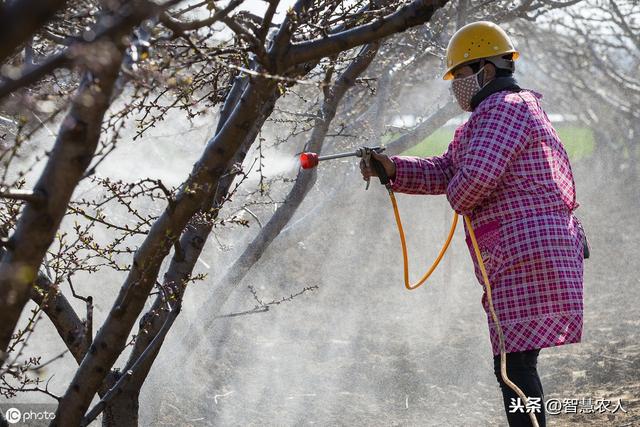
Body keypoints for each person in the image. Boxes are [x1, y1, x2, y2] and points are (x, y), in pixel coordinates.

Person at [360, 21, 586, 427]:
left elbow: (470, 183)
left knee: (514, 368)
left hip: (524, 252)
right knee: (516, 364)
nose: (457, 86)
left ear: (486, 69)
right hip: (529, 249)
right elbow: (450, 169)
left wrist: (457, 195)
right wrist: (392, 168)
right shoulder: (502, 112)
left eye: (461, 75)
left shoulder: (502, 110)